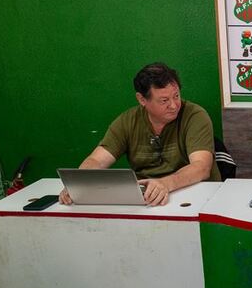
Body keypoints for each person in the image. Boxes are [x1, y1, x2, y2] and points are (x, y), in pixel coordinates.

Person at [59, 62, 221, 206]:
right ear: (142, 99)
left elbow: (201, 167)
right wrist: (79, 184)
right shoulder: (127, 121)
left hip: (195, 195)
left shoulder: (195, 115)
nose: (173, 105)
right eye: (164, 101)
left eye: (176, 96)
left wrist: (164, 184)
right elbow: (97, 159)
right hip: (147, 200)